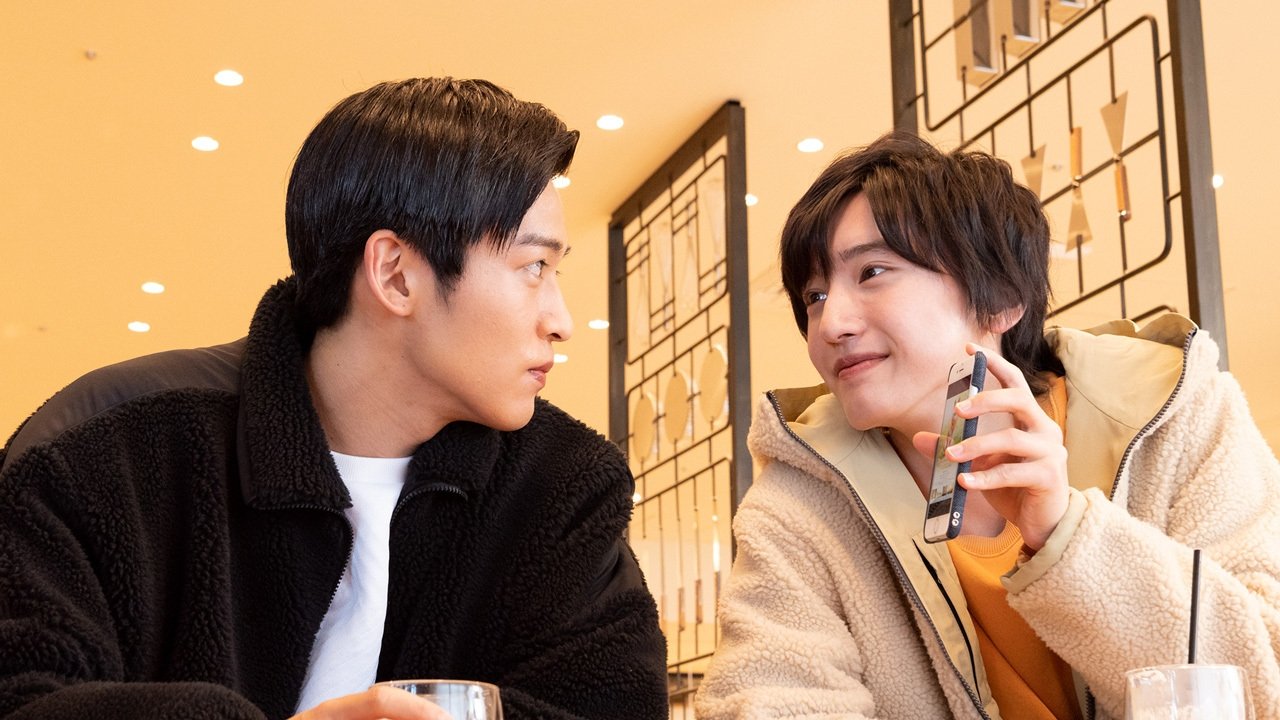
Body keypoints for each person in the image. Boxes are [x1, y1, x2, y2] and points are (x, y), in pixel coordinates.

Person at [0, 78, 668, 720]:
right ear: (395, 274)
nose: (561, 321)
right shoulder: (108, 453)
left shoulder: (562, 487)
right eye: (533, 268)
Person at [694, 132, 1280, 719]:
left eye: (871, 272)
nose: (830, 324)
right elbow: (768, 702)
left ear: (1000, 298)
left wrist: (1066, 536)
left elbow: (1264, 679)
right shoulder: (798, 504)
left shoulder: (1172, 413)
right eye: (815, 296)